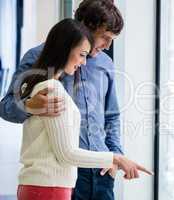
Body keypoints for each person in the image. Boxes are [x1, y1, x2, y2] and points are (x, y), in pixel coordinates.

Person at [0, 1, 152, 200]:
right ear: (85, 26)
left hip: (101, 171)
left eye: (113, 39)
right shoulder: (39, 56)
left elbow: (112, 115)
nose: (108, 46)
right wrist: (29, 106)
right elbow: (6, 107)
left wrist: (115, 155)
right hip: (62, 174)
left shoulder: (106, 63)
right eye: (105, 37)